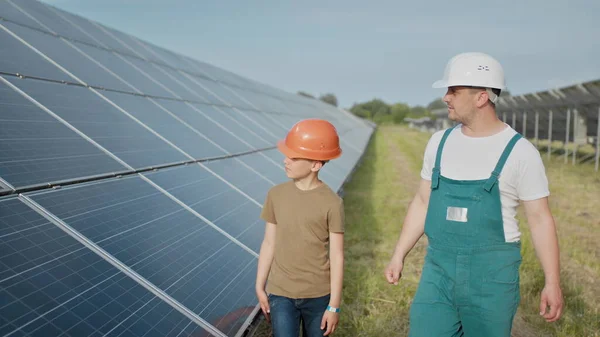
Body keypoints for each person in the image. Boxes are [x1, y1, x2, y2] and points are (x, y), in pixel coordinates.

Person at [384, 52, 564, 336]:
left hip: (491, 279)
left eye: (453, 90)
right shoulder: (438, 143)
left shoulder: (519, 152)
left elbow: (540, 219)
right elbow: (422, 202)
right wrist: (399, 253)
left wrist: (552, 282)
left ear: (481, 97)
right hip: (438, 273)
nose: (446, 97)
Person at [255, 118, 345, 337]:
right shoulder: (275, 195)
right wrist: (260, 286)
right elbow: (269, 242)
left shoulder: (332, 203)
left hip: (318, 296)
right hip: (281, 293)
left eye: (294, 157)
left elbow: (337, 255)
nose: (286, 161)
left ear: (316, 164)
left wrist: (333, 306)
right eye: (287, 155)